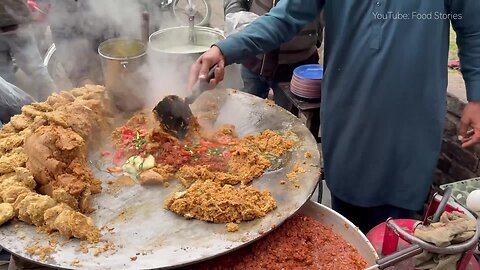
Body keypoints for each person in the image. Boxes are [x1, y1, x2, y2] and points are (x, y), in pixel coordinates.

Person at [189, 0, 480, 233]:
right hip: (349, 115)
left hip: (410, 121)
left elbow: (474, 30)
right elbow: (286, 17)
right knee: (345, 229)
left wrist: (476, 95)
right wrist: (225, 49)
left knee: (396, 231)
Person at [224, 0, 323, 109]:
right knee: (246, 112)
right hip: (254, 58)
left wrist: (315, 34)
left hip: (296, 65)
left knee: (286, 120)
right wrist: (237, 15)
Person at [0, 0, 57, 101]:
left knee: (5, 77)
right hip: (16, 24)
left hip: (16, 26)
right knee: (35, 70)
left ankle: (56, 102)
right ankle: (55, 101)